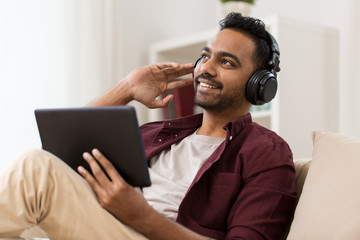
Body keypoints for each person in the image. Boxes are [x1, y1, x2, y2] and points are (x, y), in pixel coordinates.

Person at [0, 12, 297, 240]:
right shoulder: (158, 134)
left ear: (260, 85)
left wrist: (140, 215)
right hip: (106, 226)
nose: (205, 68)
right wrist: (127, 89)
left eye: (227, 62)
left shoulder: (266, 153)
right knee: (35, 168)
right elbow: (57, 159)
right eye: (205, 56)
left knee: (33, 165)